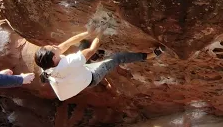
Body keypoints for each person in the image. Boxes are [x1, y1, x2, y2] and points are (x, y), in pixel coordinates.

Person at [34, 30, 166, 101]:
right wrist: (100, 32)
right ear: (54, 57)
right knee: (116, 58)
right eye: (52, 48)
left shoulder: (45, 63)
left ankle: (96, 57)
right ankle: (150, 55)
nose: (54, 46)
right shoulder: (68, 64)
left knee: (84, 43)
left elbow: (66, 44)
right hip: (90, 78)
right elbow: (91, 49)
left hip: (73, 77)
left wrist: (89, 32)